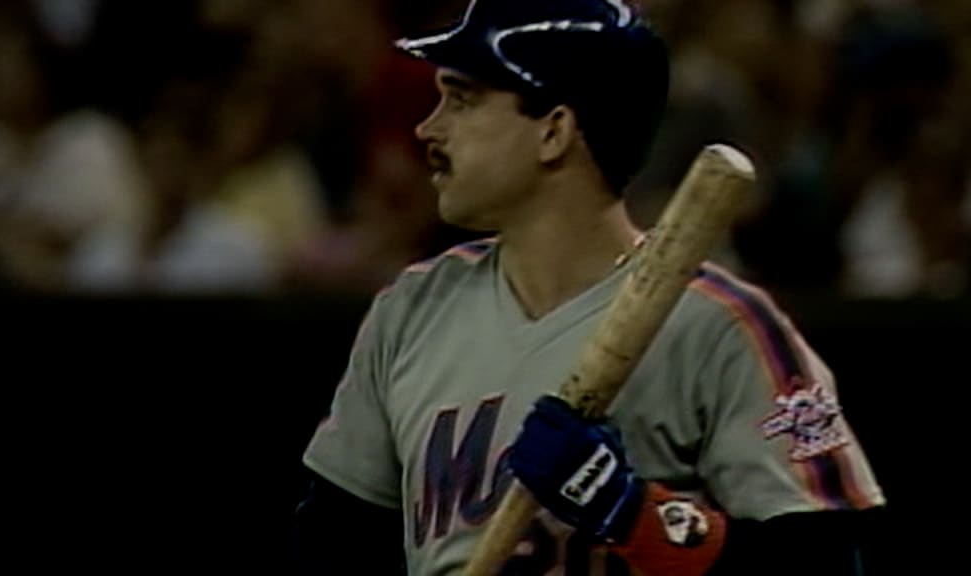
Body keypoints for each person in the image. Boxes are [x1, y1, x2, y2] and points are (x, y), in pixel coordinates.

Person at [293, 1, 885, 574]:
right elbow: (335, 543)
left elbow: (826, 560)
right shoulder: (412, 308)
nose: (428, 127)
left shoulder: (725, 327)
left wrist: (630, 512)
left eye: (461, 100)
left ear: (554, 130)